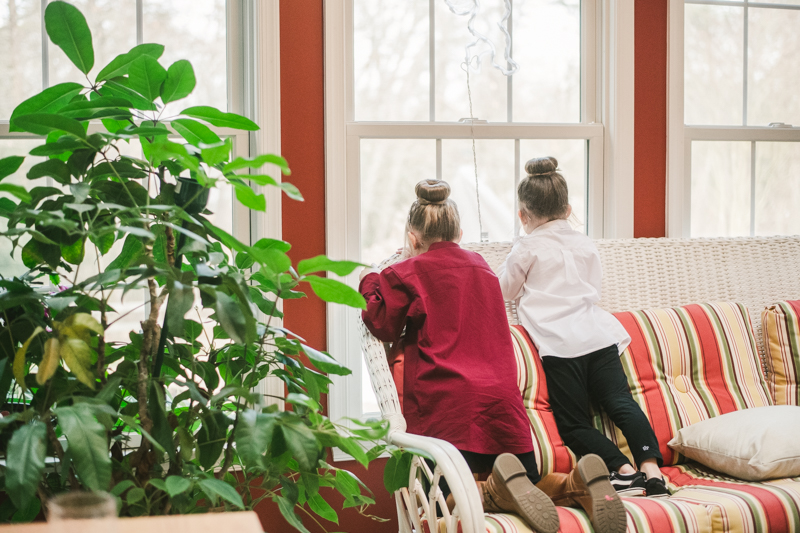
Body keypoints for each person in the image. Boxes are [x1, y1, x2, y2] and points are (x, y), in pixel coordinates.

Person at [359, 179, 627, 533]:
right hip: (502, 406)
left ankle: (493, 492)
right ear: (459, 233)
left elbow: (381, 324)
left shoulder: (406, 272)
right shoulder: (483, 268)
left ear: (412, 238)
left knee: (443, 501)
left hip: (447, 410)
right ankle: (573, 484)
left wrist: (369, 279)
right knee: (528, 481)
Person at [497, 156, 671, 498]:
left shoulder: (527, 247)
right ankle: (652, 472)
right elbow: (594, 286)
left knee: (575, 424)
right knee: (622, 403)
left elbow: (503, 291)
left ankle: (623, 470)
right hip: (599, 336)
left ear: (523, 215)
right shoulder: (584, 241)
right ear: (568, 208)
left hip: (562, 346)